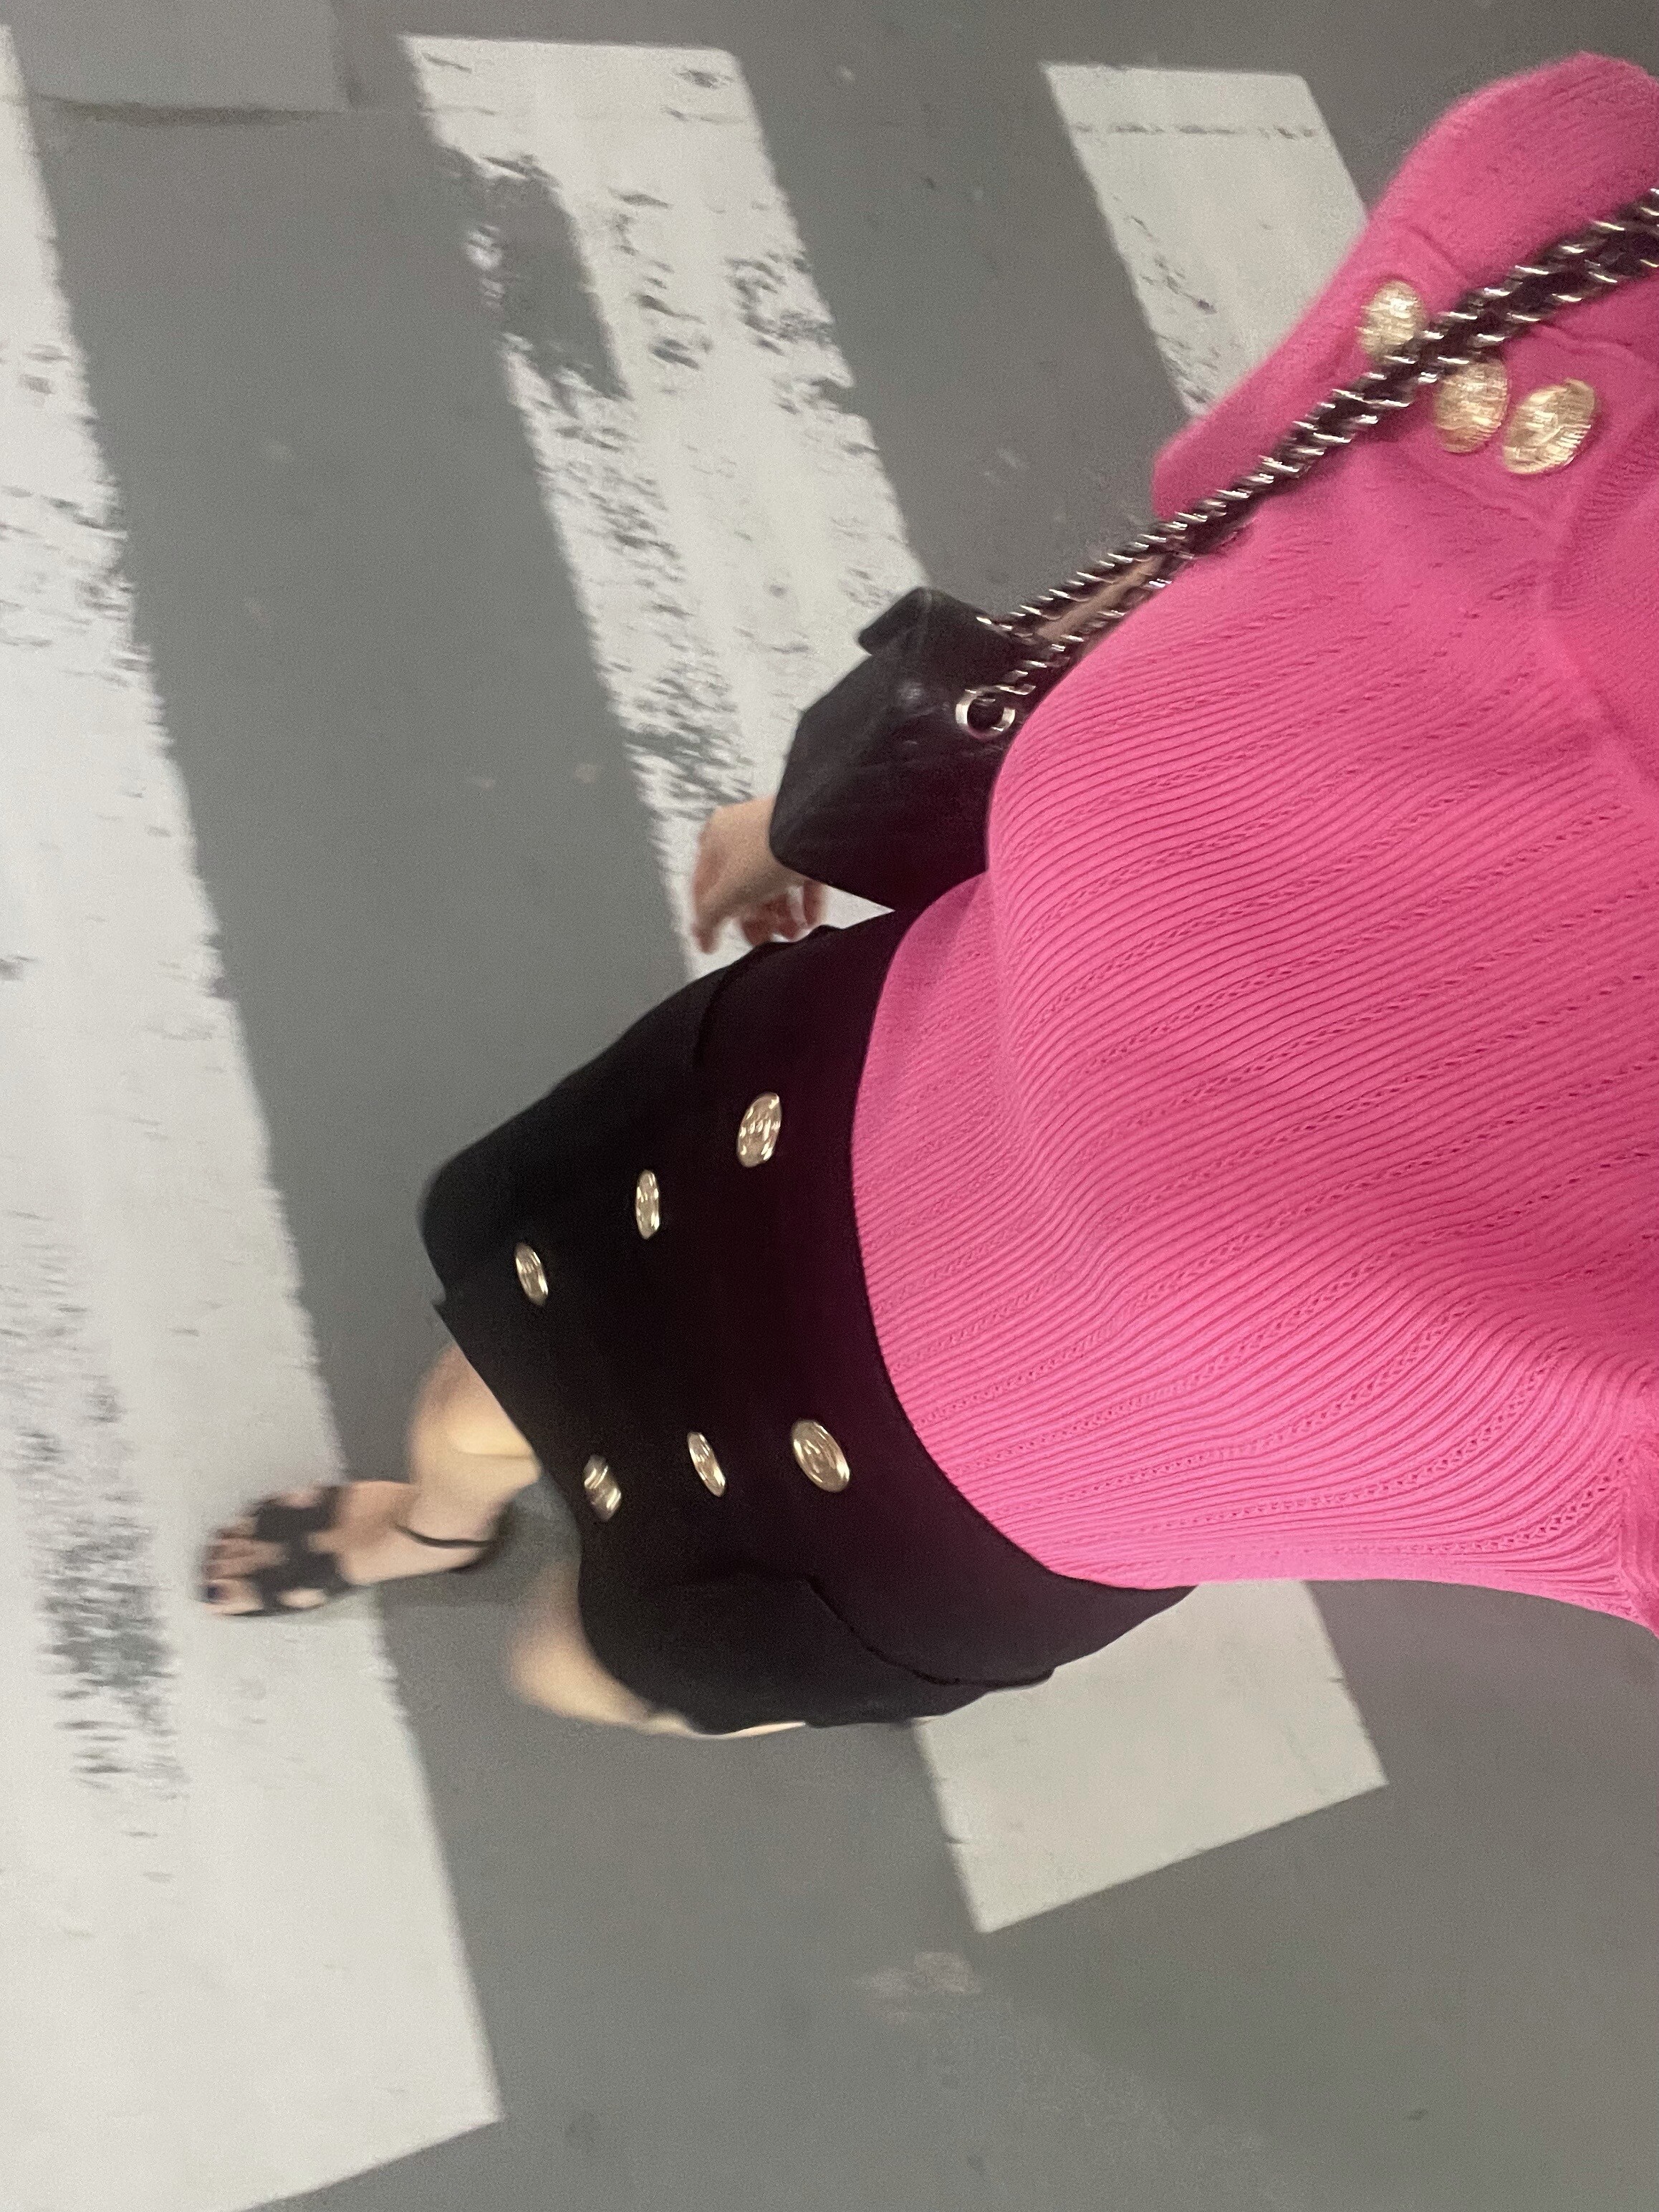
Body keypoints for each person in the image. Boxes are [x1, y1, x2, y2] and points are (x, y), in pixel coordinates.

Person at [201, 52, 1659, 1738]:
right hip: (816, 1105)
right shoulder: (1584, 226)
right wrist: (858, 790)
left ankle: (458, 1531)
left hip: (937, 1520)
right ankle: (432, 1525)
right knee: (476, 1400)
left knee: (591, 1660)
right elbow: (1225, 556)